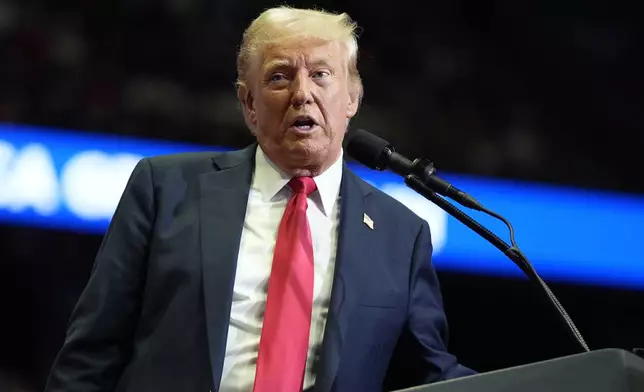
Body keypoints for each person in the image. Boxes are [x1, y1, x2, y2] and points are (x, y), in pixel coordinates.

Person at [44, 6, 475, 392]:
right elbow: (91, 355)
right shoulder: (164, 188)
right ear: (248, 103)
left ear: (352, 99)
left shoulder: (401, 234)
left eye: (321, 74)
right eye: (279, 76)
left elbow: (428, 373)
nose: (302, 93)